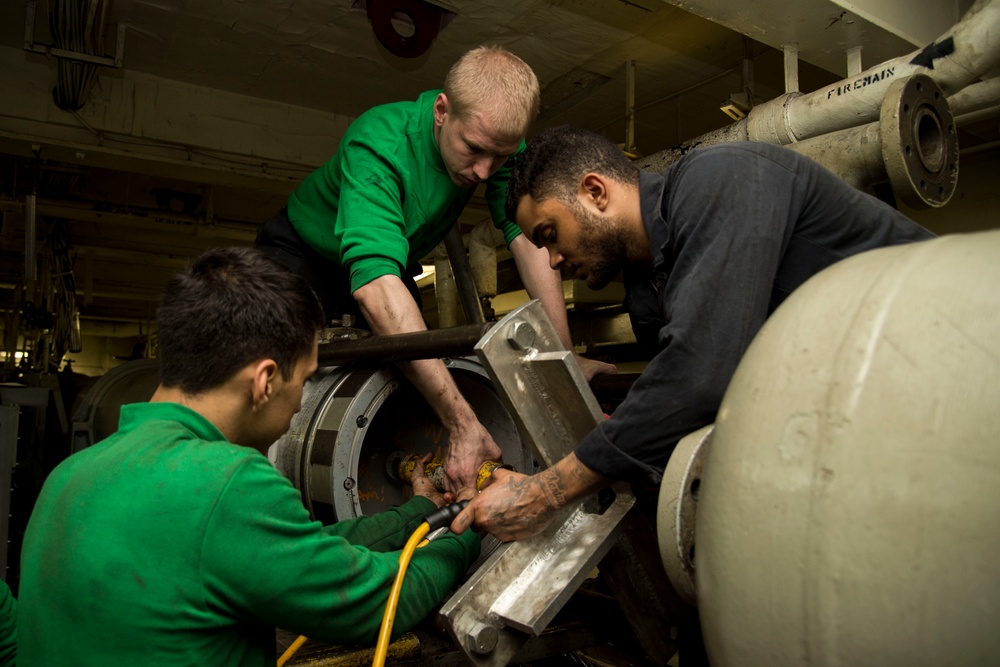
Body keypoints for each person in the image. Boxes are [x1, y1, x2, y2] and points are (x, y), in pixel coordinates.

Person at [451, 126, 935, 541]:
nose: (553, 261)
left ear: (595, 192)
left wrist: (546, 491)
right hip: (884, 417)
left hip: (954, 348)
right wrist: (624, 420)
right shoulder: (646, 289)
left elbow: (700, 374)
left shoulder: (721, 178)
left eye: (550, 234)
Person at [17, 247, 480, 666]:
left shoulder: (69, 475)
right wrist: (469, 529)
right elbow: (375, 601)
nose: (301, 403)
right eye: (303, 381)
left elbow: (301, 551)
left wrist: (419, 512)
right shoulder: (226, 481)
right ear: (264, 381)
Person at [255, 46, 615, 492]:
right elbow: (375, 288)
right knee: (272, 372)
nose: (484, 172)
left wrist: (562, 358)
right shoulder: (380, 143)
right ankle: (258, 487)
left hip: (392, 257)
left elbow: (525, 239)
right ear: (442, 111)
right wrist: (463, 423)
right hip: (304, 255)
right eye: (474, 150)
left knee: (412, 366)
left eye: (499, 158)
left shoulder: (495, 144)